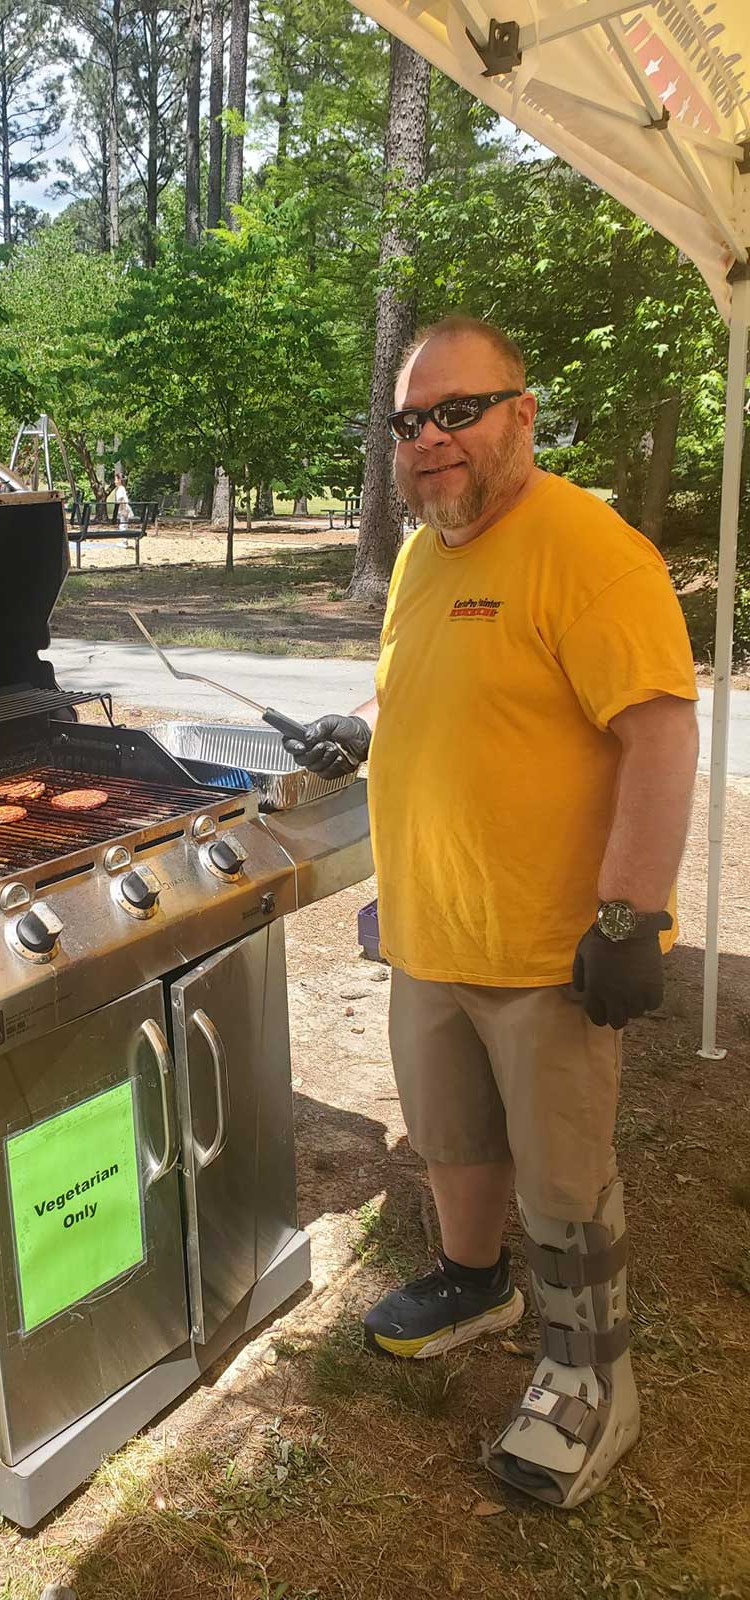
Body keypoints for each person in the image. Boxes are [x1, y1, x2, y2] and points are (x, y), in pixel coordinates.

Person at [285, 314, 698, 1510]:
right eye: (410, 421)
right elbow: (424, 689)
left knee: (562, 1178)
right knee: (452, 1137)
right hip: (432, 930)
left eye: (457, 411)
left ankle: (589, 1380)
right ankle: (474, 1280)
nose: (430, 439)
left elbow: (661, 735)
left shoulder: (591, 551)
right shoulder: (426, 555)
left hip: (547, 949)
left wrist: (629, 915)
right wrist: (360, 729)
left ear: (523, 413)